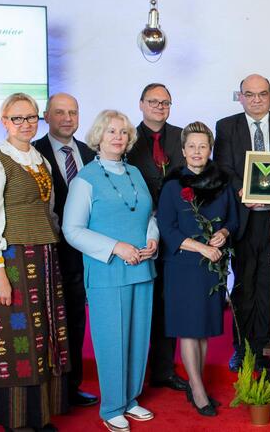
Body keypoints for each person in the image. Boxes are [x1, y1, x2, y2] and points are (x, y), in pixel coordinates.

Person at [0, 92, 71, 431]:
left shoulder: (40, 160)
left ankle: (38, 415)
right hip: (11, 259)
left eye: (31, 118)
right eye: (17, 118)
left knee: (41, 335)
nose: (25, 124)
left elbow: (50, 211)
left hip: (42, 256)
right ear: (4, 121)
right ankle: (16, 419)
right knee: (17, 339)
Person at [63, 110, 159, 432]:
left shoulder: (134, 173)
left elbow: (148, 216)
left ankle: (131, 400)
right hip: (107, 272)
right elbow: (72, 230)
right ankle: (112, 407)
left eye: (122, 132)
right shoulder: (85, 179)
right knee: (112, 340)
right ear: (99, 137)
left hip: (142, 269)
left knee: (137, 337)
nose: (117, 137)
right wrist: (116, 247)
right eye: (110, 132)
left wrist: (152, 239)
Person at [214, 74, 270, 371]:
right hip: (244, 218)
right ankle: (242, 347)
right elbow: (223, 169)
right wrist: (243, 190)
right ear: (240, 97)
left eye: (262, 94)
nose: (256, 99)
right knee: (243, 283)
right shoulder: (227, 127)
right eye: (249, 94)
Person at [157, 122, 238, 417]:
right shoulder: (173, 185)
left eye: (202, 146)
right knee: (189, 330)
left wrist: (224, 234)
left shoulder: (223, 181)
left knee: (202, 330)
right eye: (191, 146)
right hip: (184, 265)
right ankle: (198, 389)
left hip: (212, 267)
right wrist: (202, 247)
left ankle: (196, 383)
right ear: (183, 150)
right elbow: (166, 228)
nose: (197, 151)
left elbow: (233, 220)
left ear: (210, 149)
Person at [33, 93, 99, 408]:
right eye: (60, 112)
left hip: (84, 254)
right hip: (48, 252)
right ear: (46, 116)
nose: (67, 118)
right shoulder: (33, 153)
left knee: (75, 321)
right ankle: (49, 390)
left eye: (73, 112)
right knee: (47, 324)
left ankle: (71, 388)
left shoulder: (88, 153)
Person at [125, 83, 189, 394]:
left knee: (169, 302)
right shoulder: (127, 138)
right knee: (140, 305)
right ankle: (135, 374)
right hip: (138, 234)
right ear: (141, 104)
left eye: (165, 102)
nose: (159, 107)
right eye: (153, 101)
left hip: (175, 232)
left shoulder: (181, 137)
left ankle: (164, 370)